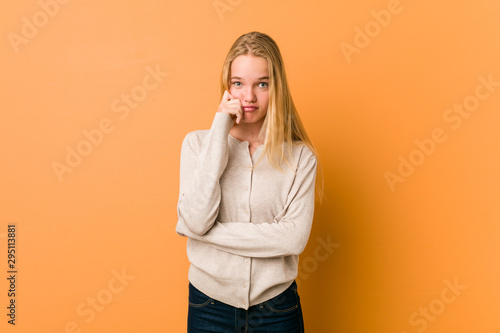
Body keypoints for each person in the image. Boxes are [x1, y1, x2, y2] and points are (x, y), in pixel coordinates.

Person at [176, 31, 322, 333]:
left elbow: (292, 239)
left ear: (276, 87)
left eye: (262, 84)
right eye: (238, 83)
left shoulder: (300, 157)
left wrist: (203, 233)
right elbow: (197, 217)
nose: (249, 97)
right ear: (227, 87)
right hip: (209, 306)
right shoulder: (196, 145)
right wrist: (220, 127)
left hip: (277, 309)